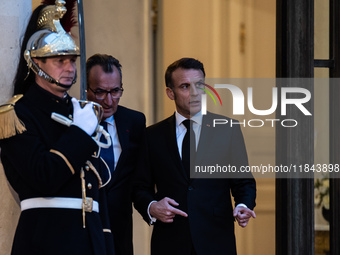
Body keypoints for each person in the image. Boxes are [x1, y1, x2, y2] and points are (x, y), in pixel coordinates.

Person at [0, 2, 114, 255]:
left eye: (72, 60)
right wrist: (79, 134)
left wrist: (106, 242)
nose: (69, 68)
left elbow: (96, 191)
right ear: (36, 63)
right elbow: (44, 177)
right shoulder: (17, 115)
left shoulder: (81, 111)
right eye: (59, 60)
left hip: (91, 239)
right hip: (47, 238)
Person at [133, 58, 256, 255]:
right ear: (170, 93)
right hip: (169, 242)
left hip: (216, 241)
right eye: (185, 86)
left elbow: (244, 182)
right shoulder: (151, 136)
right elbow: (139, 187)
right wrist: (151, 206)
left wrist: (243, 205)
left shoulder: (227, 130)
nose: (195, 93)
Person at [86, 53, 146, 255]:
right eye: (101, 92)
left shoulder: (135, 121)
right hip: (83, 223)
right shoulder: (74, 121)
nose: (109, 101)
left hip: (120, 226)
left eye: (116, 91)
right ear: (87, 89)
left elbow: (140, 175)